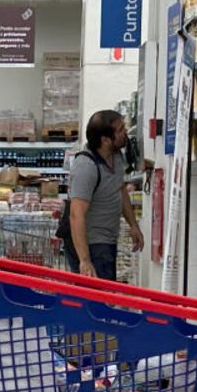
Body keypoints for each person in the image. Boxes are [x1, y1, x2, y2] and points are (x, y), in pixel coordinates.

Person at [64, 110, 143, 280]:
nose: (125, 133)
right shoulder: (86, 167)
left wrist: (133, 225)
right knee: (99, 300)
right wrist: (85, 260)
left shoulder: (116, 156)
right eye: (121, 130)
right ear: (105, 140)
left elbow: (120, 190)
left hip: (107, 240)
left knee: (104, 297)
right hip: (92, 243)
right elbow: (76, 215)